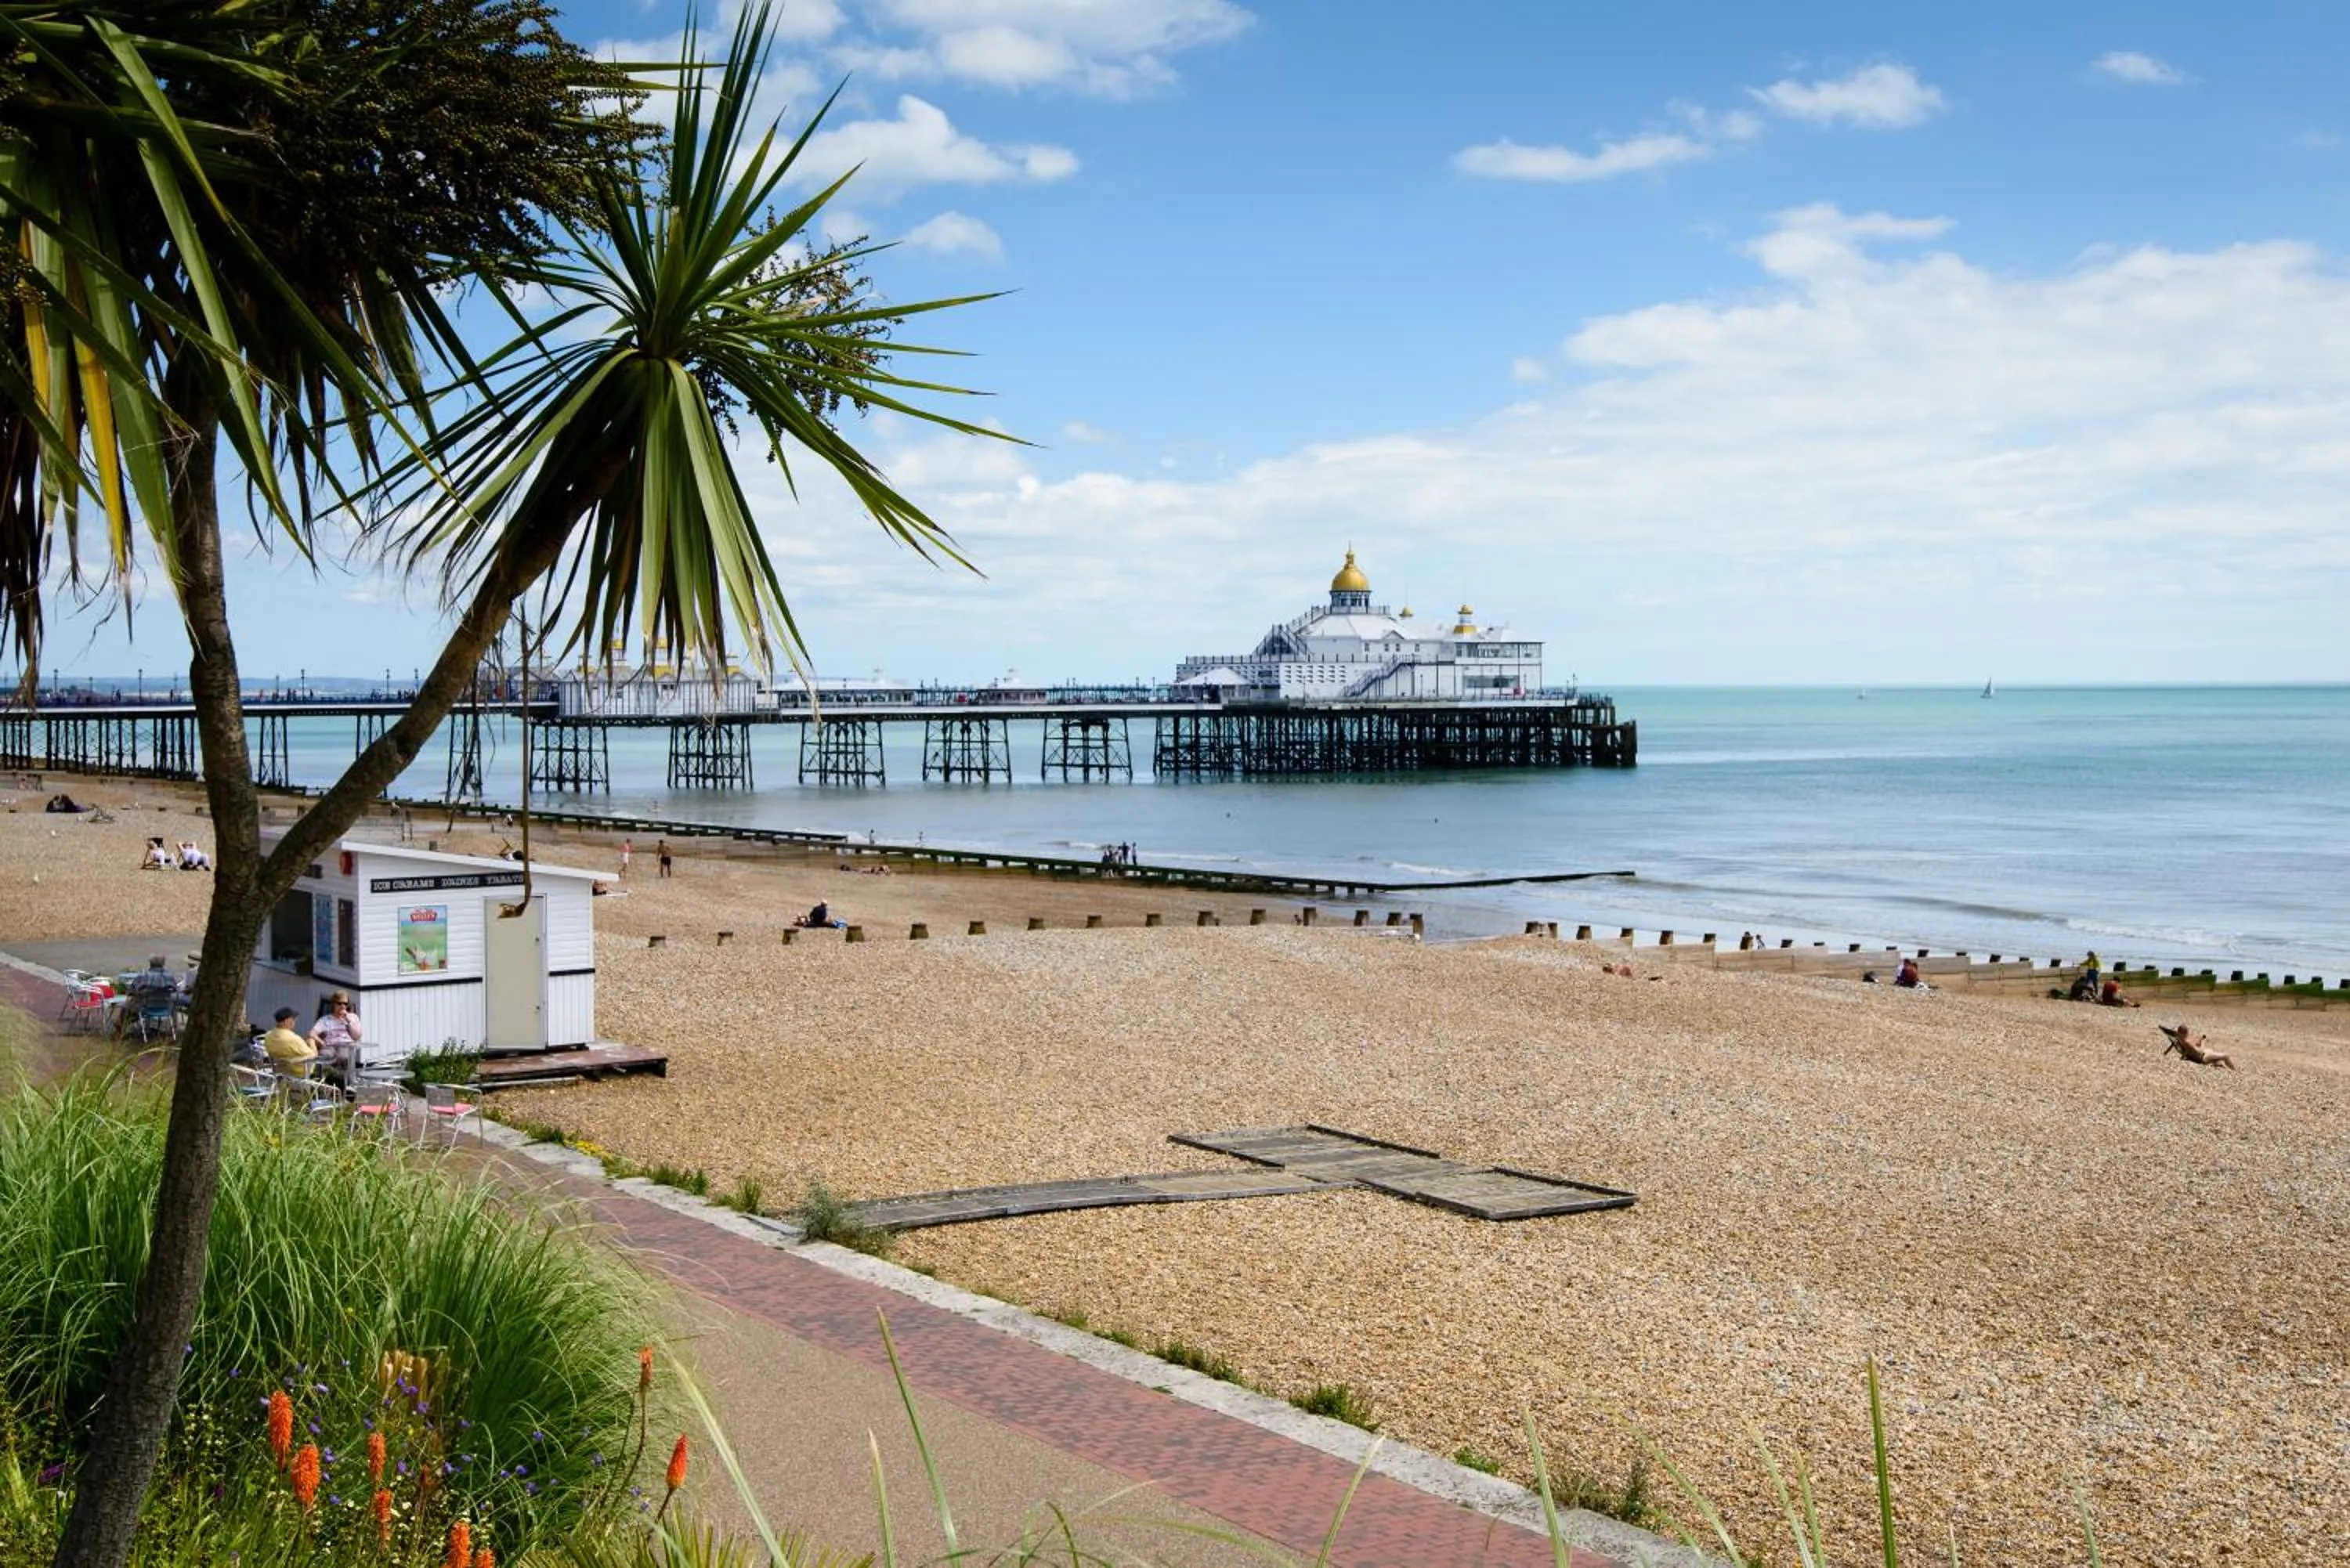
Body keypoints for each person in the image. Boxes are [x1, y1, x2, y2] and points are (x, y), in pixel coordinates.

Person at [309, 992, 363, 1074]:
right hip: (330, 1046)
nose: (343, 1006)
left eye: (345, 1004)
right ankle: (325, 1079)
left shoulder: (353, 1017)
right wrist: (321, 1042)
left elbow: (358, 1036)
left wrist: (348, 1021)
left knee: (344, 1056)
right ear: (334, 1004)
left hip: (346, 1045)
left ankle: (345, 1080)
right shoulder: (326, 1019)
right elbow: (312, 1033)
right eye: (339, 1003)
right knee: (324, 1056)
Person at [262, 1006, 317, 1076]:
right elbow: (313, 1056)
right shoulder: (293, 1039)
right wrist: (312, 1042)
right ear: (286, 1021)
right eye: (293, 1019)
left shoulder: (268, 1036)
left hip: (280, 1069)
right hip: (299, 1071)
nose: (295, 1021)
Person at [2159, 1024, 2236, 1071]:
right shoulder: (2187, 1042)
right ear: (2185, 1033)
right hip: (2202, 1058)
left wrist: (2198, 1041)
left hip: (2195, 1055)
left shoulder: (2180, 1039)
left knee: (2212, 1051)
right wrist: (2203, 1041)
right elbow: (2200, 1051)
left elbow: (2192, 1048)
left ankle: (2218, 1064)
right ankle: (2235, 1072)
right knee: (2226, 1056)